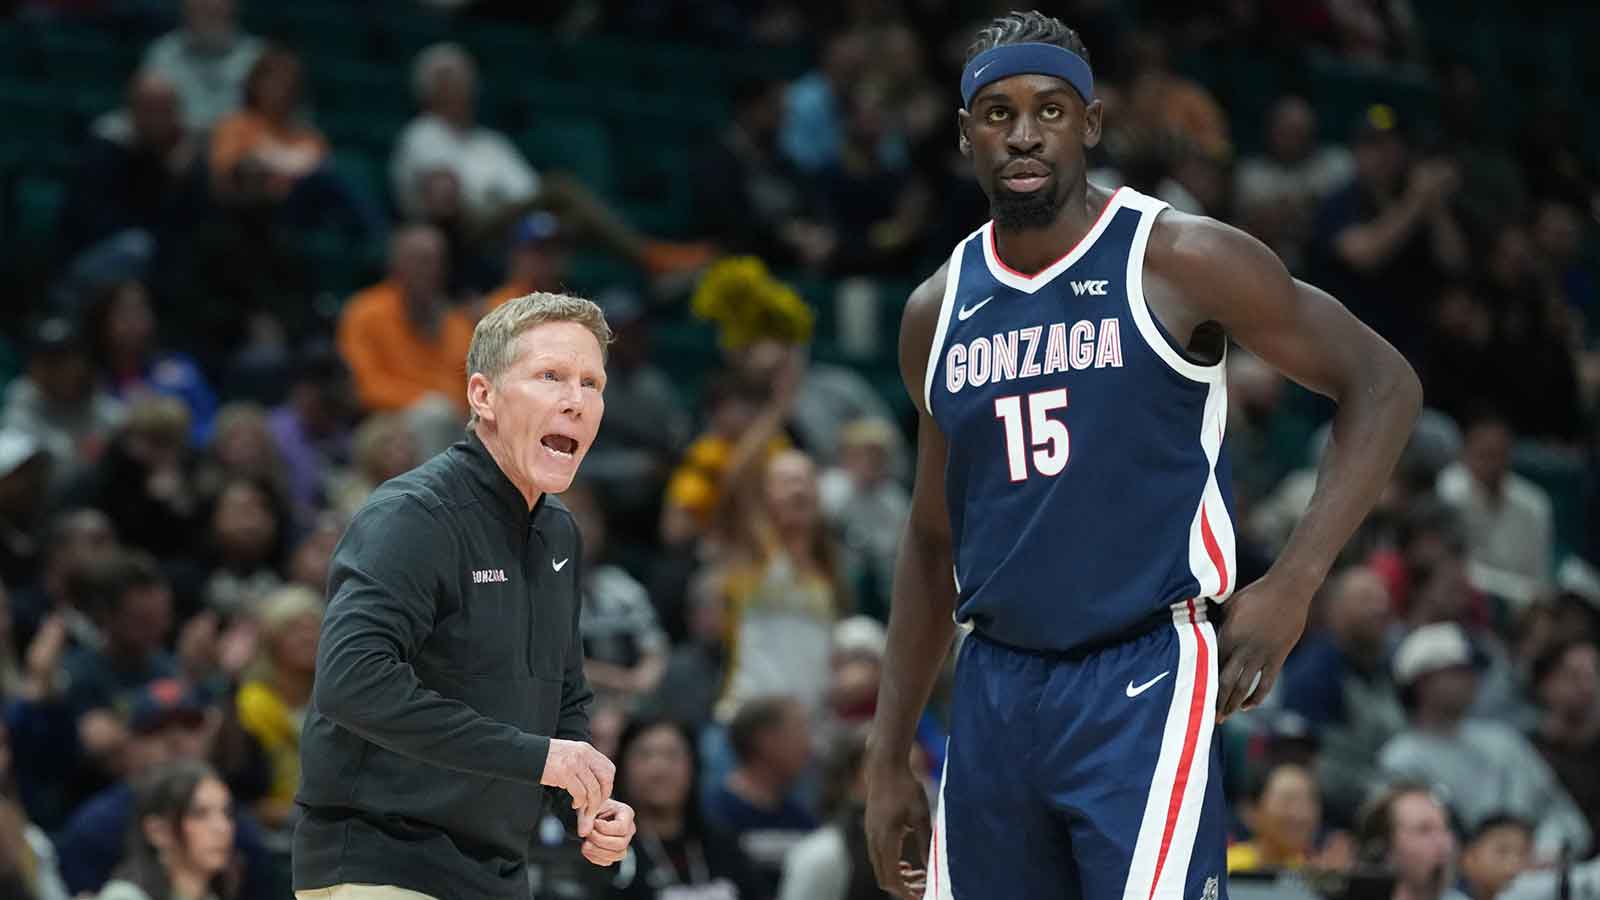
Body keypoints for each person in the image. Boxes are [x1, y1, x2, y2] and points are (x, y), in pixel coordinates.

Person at [862, 11, 1424, 900]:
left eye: (1049, 109)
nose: (1023, 133)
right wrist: (889, 752)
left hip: (1143, 669)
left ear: (1090, 123)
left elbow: (1383, 384)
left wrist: (1294, 581)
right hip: (995, 685)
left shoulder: (1178, 257)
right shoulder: (935, 312)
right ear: (967, 132)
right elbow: (934, 540)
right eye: (998, 112)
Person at [293, 292, 636, 900]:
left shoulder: (558, 531)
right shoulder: (414, 516)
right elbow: (352, 682)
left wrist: (582, 801)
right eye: (550, 376)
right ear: (483, 397)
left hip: (497, 875)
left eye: (591, 383)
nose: (575, 401)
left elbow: (563, 701)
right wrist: (539, 759)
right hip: (380, 863)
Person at [97, 760, 237, 900]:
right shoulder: (125, 896)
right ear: (157, 831)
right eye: (199, 814)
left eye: (226, 813)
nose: (222, 827)